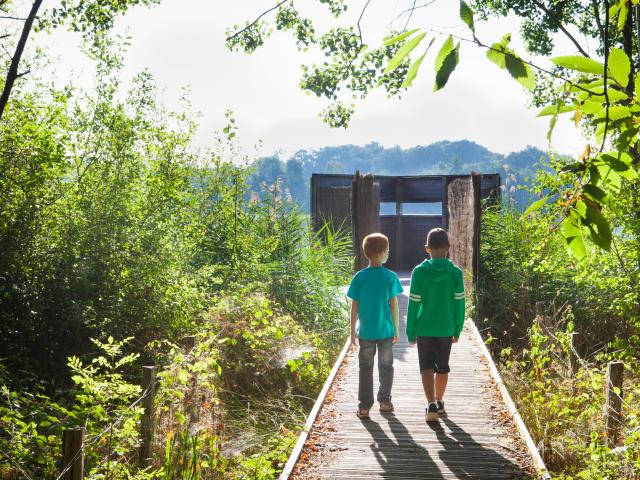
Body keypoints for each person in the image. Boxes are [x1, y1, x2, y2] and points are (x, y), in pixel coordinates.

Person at [406, 228, 465, 422]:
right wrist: (457, 328)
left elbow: (413, 303)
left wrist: (410, 330)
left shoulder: (419, 272)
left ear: (427, 248)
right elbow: (459, 304)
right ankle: (440, 401)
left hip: (424, 329)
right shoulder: (455, 273)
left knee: (426, 367)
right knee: (443, 367)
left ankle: (431, 404)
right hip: (446, 329)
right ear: (448, 248)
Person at [347, 232, 403, 419]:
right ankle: (385, 401)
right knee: (386, 367)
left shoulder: (359, 277)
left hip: (365, 332)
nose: (388, 253)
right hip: (386, 331)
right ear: (380, 254)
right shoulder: (390, 276)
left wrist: (352, 332)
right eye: (387, 250)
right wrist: (396, 329)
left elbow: (354, 307)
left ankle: (364, 406)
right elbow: (394, 305)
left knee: (365, 368)